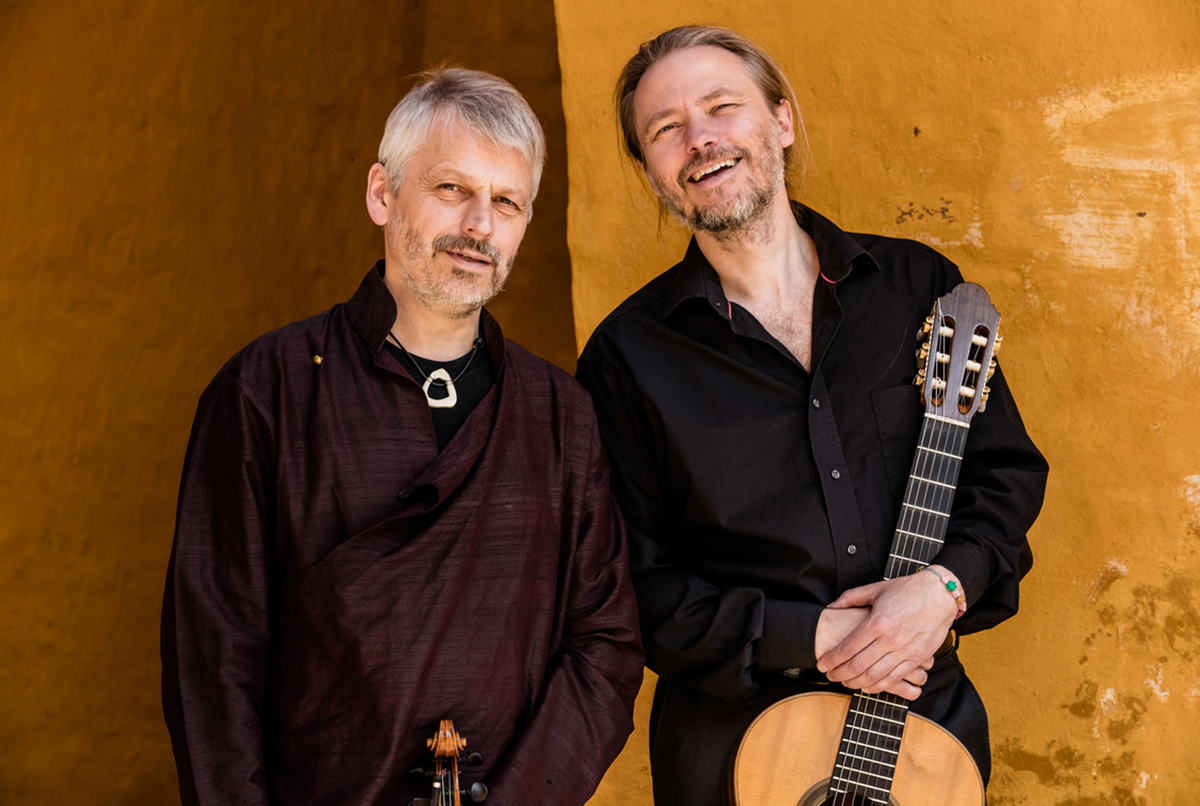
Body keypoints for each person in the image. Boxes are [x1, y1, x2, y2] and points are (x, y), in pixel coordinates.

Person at [575, 25, 1048, 805]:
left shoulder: (916, 286)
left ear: (782, 120)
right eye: (666, 130)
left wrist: (944, 591)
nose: (700, 139)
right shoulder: (627, 359)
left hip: (924, 730)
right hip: (732, 750)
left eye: (722, 106)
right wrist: (817, 638)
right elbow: (632, 586)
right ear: (651, 172)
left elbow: (1003, 478)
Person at [161, 67, 643, 806]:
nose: (479, 224)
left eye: (507, 202)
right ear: (382, 194)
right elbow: (211, 659)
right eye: (452, 189)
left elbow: (604, 646)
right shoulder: (266, 391)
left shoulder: (561, 415)